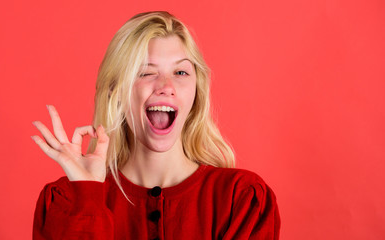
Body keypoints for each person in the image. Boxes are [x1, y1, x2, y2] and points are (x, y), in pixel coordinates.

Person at [31, 11, 280, 240]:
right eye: (145, 72)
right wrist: (88, 198)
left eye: (180, 73)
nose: (166, 86)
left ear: (196, 91)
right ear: (115, 92)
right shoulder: (66, 202)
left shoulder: (241, 199)